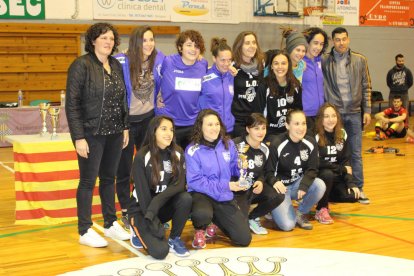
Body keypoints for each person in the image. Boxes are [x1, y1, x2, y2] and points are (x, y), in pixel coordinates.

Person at [66, 22, 130, 248]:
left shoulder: (116, 64)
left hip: (114, 132)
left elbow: (123, 99)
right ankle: (84, 230)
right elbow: (72, 105)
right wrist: (79, 137)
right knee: (87, 181)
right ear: (93, 40)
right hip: (91, 133)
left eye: (111, 39)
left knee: (108, 179)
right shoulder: (81, 65)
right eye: (103, 37)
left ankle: (111, 223)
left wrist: (125, 126)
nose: (108, 42)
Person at [114, 26, 165, 229]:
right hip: (126, 123)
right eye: (144, 40)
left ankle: (149, 208)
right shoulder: (120, 61)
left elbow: (186, 60)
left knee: (149, 167)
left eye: (151, 40)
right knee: (125, 169)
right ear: (136, 42)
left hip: (148, 120)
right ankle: (126, 211)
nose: (149, 44)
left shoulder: (159, 58)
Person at [185, 109, 252, 249]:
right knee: (202, 214)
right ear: (200, 126)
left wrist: (241, 167)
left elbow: (234, 168)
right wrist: (226, 186)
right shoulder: (192, 150)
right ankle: (200, 229)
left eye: (217, 124)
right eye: (209, 124)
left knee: (244, 239)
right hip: (202, 194)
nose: (214, 128)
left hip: (224, 196)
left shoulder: (228, 144)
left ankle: (215, 221)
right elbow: (195, 181)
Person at [128, 116, 192, 259]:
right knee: (160, 252)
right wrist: (153, 222)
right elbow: (143, 196)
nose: (169, 133)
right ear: (153, 131)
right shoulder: (142, 156)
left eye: (171, 130)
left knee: (185, 198)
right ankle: (136, 227)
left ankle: (174, 238)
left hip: (157, 207)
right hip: (142, 210)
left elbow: (179, 185)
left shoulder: (178, 152)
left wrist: (157, 204)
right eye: (164, 129)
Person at [322, 27, 372, 204]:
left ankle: (359, 187)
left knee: (356, 153)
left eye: (344, 39)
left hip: (354, 113)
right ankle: (338, 188)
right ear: (333, 41)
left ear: (348, 39)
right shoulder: (324, 60)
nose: (341, 43)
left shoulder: (360, 60)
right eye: (337, 40)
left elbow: (367, 87)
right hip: (334, 116)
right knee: (335, 153)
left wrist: (367, 110)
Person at [265, 110, 326, 231]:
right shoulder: (277, 144)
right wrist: (275, 182)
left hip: (297, 185)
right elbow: (268, 172)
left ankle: (301, 213)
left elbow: (312, 169)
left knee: (319, 185)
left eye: (303, 123)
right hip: (280, 189)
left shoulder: (310, 142)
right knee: (288, 226)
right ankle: (272, 209)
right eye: (296, 124)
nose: (301, 128)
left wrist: (304, 185)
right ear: (287, 125)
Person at [233, 113, 284, 235]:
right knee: (240, 230)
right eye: (256, 128)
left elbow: (264, 170)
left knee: (278, 195)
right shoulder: (235, 145)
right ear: (247, 129)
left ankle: (253, 217)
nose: (261, 132)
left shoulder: (265, 149)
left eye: (263, 128)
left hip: (254, 188)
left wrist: (260, 181)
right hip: (238, 190)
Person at [157, 29, 208, 150]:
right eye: (189, 45)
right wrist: (156, 98)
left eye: (196, 46)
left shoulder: (203, 64)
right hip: (169, 123)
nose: (193, 49)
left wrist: (229, 70)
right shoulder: (168, 62)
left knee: (188, 164)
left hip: (193, 124)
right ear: (180, 48)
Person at [314, 103, 361, 224]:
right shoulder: (314, 135)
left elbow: (346, 160)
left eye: (333, 116)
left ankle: (322, 196)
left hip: (336, 175)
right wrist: (341, 169)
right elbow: (317, 162)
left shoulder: (342, 134)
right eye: (327, 116)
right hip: (319, 176)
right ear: (321, 119)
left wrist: (351, 183)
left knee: (353, 196)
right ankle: (321, 209)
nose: (331, 120)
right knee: (327, 174)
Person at [254, 50, 302, 138]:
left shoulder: (295, 85)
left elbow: (298, 112)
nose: (280, 67)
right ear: (271, 66)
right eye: (276, 63)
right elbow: (258, 114)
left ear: (288, 65)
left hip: (290, 133)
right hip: (269, 134)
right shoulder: (264, 86)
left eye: (283, 63)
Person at [231, 31, 265, 137]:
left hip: (256, 121)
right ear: (239, 46)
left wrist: (299, 64)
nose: (252, 46)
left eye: (254, 43)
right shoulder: (232, 66)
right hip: (238, 122)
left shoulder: (262, 65)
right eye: (247, 43)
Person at [199, 37, 235, 134]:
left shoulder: (231, 76)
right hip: (210, 130)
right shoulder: (205, 77)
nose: (226, 64)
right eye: (223, 60)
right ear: (214, 58)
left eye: (229, 60)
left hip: (228, 129)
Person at [302, 27, 328, 134]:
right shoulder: (299, 62)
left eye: (321, 44)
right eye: (315, 43)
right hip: (304, 115)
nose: (318, 47)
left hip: (319, 114)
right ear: (307, 42)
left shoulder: (319, 61)